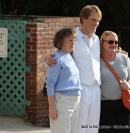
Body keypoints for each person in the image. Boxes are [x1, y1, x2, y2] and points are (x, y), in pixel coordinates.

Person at [46, 5, 102, 133]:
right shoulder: (73, 37)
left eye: (98, 20)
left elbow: (105, 54)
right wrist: (46, 58)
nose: (97, 23)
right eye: (94, 19)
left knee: (92, 128)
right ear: (83, 18)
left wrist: (120, 53)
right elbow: (59, 54)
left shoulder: (97, 39)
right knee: (79, 128)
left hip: (96, 87)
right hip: (80, 88)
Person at [99, 31, 130, 133]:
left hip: (124, 104)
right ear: (102, 43)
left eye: (116, 42)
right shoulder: (96, 59)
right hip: (103, 105)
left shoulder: (124, 57)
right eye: (110, 42)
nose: (114, 45)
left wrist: (129, 84)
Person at [46, 28, 82, 133]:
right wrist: (52, 108)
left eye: (74, 40)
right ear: (61, 42)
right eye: (70, 40)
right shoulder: (56, 59)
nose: (73, 42)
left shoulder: (70, 56)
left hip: (76, 100)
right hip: (63, 101)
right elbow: (50, 84)